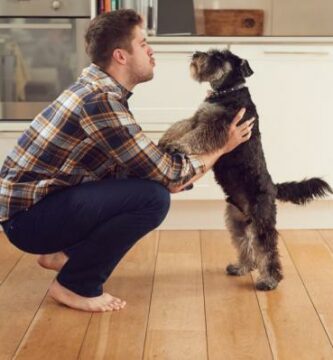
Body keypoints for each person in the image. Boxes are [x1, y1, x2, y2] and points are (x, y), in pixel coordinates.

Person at [0, 10, 254, 313]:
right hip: (28, 222)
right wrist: (222, 148)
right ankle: (75, 285)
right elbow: (169, 175)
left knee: (148, 185)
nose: (151, 50)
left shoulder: (99, 89)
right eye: (143, 43)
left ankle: (64, 253)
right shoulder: (101, 102)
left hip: (35, 209)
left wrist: (166, 177)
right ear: (121, 56)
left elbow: (140, 164)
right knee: (153, 199)